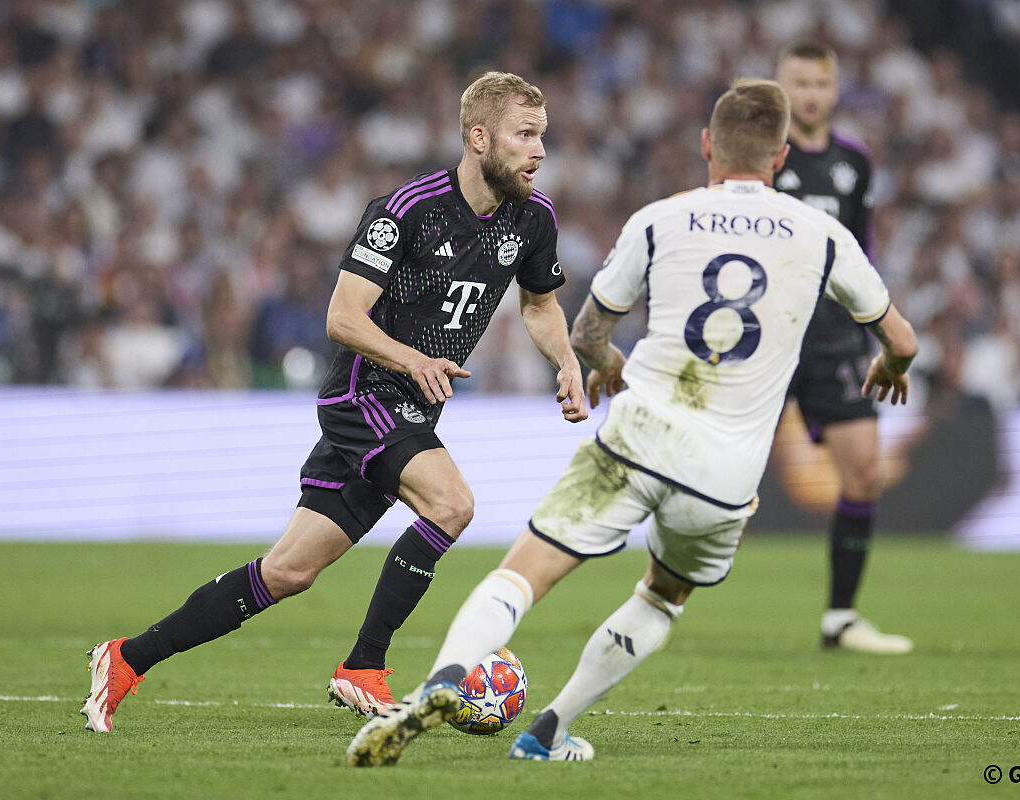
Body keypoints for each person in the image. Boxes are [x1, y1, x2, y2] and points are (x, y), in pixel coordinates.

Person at [345, 77, 918, 767]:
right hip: (727, 472)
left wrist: (605, 363)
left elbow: (587, 330)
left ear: (708, 146)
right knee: (663, 595)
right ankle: (548, 730)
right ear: (781, 157)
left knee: (526, 573)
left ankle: (443, 681)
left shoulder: (661, 219)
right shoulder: (824, 235)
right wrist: (889, 367)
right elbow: (902, 339)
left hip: (640, 435)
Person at [81, 72, 589, 732]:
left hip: (414, 407)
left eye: (542, 136)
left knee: (287, 572)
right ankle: (364, 667)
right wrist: (411, 358)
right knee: (452, 504)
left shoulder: (533, 218)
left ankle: (124, 659)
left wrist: (568, 361)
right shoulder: (406, 209)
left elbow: (541, 304)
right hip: (364, 394)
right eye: (525, 136)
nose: (539, 151)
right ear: (479, 136)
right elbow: (343, 317)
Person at [773, 41, 912, 654]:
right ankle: (660, 595)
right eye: (798, 82)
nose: (809, 94)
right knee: (717, 481)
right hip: (766, 338)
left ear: (834, 91)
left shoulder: (855, 162)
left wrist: (873, 329)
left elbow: (864, 252)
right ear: (780, 86)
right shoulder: (761, 156)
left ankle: (840, 618)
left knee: (862, 473)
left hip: (834, 340)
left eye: (819, 84)